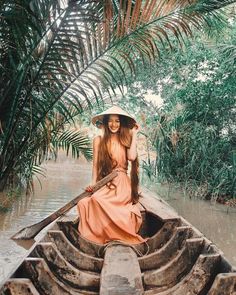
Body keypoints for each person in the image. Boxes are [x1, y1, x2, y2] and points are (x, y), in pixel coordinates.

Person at [77, 105, 145, 244]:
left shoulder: (125, 138)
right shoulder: (98, 140)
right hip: (105, 182)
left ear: (122, 123)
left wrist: (134, 134)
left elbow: (132, 157)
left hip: (122, 183)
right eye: (111, 121)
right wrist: (93, 184)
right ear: (106, 123)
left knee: (100, 202)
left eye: (117, 121)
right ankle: (100, 234)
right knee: (86, 202)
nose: (114, 124)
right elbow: (95, 165)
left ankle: (116, 233)